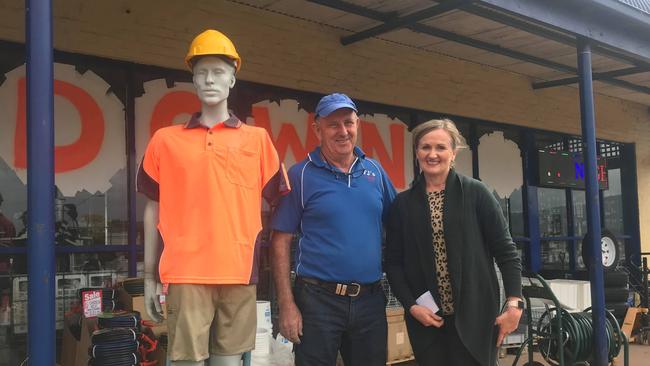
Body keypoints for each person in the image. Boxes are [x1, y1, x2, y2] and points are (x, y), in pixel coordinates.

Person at [137, 29, 287, 366]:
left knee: (229, 363)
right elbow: (152, 208)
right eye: (201, 72)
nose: (209, 80)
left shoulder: (258, 140)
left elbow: (280, 205)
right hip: (185, 273)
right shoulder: (165, 140)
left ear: (233, 79)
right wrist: (149, 276)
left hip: (238, 274)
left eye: (218, 72)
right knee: (186, 362)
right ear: (192, 78)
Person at [271, 93, 397, 366]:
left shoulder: (375, 171)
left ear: (357, 125)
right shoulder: (300, 174)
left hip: (370, 301)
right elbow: (280, 240)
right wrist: (287, 304)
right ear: (317, 129)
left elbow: (400, 225)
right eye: (333, 125)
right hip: (317, 302)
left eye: (348, 123)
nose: (343, 131)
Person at [385, 119, 523, 366]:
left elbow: (506, 252)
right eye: (425, 147)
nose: (432, 154)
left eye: (440, 147)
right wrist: (412, 306)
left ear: (453, 152)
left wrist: (514, 304)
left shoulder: (476, 193)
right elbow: (394, 264)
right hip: (428, 322)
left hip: (476, 318)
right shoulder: (403, 205)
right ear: (416, 152)